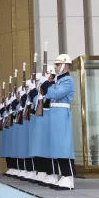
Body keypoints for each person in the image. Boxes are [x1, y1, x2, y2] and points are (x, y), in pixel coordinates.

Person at [40, 54, 76, 190]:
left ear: (65, 65)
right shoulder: (59, 80)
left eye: (58, 64)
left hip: (61, 113)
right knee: (56, 145)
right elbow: (48, 94)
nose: (55, 67)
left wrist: (47, 84)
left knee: (63, 145)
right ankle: (63, 175)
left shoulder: (67, 80)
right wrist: (49, 84)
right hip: (55, 114)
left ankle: (68, 177)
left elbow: (54, 94)